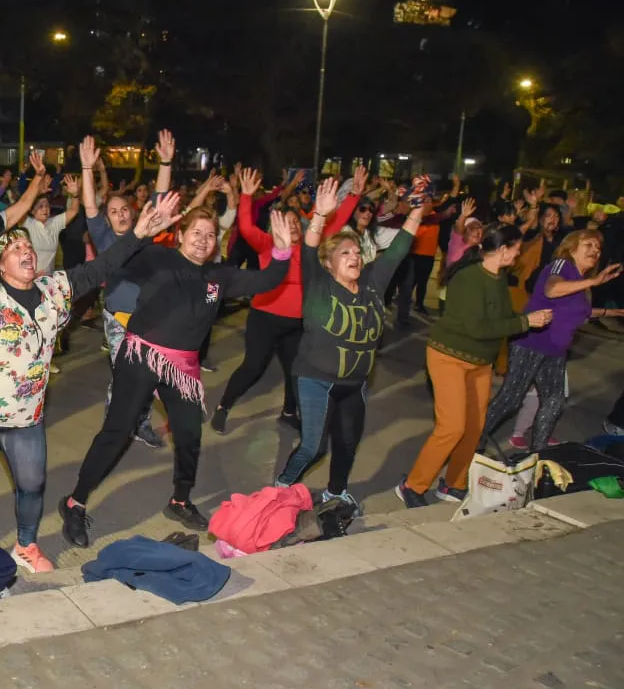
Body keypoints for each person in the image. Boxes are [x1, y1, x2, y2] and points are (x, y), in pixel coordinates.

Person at [0, 182, 183, 573]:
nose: (24, 252)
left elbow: (102, 267)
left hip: (26, 413)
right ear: (1, 266)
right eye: (13, 250)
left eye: (27, 248)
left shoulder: (56, 289)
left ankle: (25, 546)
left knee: (32, 485)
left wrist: (141, 233)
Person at [61, 175, 295, 548]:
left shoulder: (219, 276)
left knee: (189, 435)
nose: (203, 240)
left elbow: (267, 281)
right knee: (117, 432)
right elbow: (114, 262)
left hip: (183, 369)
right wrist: (140, 233)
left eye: (210, 235)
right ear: (181, 234)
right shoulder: (157, 258)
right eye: (196, 233)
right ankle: (75, 502)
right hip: (141, 356)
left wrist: (282, 251)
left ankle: (180, 500)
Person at [271, 178, 422, 509]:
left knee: (348, 441)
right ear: (329, 263)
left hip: (355, 382)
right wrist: (321, 217)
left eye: (357, 252)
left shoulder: (371, 284)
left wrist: (417, 211)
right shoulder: (319, 285)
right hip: (315, 379)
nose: (354, 256)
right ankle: (282, 484)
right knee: (313, 447)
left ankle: (336, 490)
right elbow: (309, 249)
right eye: (345, 253)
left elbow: (398, 250)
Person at [396, 223, 553, 508]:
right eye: (516, 250)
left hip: (479, 363)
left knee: (474, 427)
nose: (518, 256)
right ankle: (412, 485)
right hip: (449, 356)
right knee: (451, 427)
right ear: (503, 249)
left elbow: (505, 318)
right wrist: (526, 322)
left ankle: (453, 483)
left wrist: (532, 318)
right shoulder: (469, 278)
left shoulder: (498, 278)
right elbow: (478, 327)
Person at [210, 166, 365, 434]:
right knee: (253, 366)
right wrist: (246, 195)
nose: (293, 226)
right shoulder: (267, 244)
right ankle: (223, 407)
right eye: (287, 222)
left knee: (296, 371)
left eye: (296, 223)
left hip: (297, 323)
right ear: (276, 226)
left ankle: (288, 412)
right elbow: (245, 226)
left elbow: (336, 223)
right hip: (264, 318)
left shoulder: (311, 249)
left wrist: (353, 195)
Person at [479, 231, 623, 451]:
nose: (595, 250)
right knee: (510, 399)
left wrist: (613, 313)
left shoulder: (582, 284)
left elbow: (579, 313)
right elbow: (552, 289)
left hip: (556, 350)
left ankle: (537, 454)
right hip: (532, 343)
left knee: (554, 402)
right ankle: (473, 440)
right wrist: (593, 280)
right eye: (589, 245)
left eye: (598, 248)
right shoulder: (562, 266)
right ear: (572, 247)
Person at [80, 134, 172, 448]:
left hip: (149, 318)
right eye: (114, 211)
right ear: (107, 220)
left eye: (124, 210)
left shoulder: (142, 235)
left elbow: (159, 201)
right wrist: (87, 170)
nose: (121, 214)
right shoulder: (104, 238)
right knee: (126, 373)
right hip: (117, 319)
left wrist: (166, 162)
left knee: (145, 375)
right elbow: (90, 205)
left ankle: (141, 422)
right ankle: (116, 419)